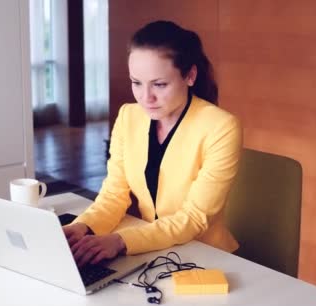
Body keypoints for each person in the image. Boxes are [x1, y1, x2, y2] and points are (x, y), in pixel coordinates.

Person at [63, 20, 242, 267]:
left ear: (190, 76)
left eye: (159, 84)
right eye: (137, 82)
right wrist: (83, 226)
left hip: (204, 257)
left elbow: (194, 218)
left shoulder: (221, 127)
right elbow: (114, 195)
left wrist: (120, 241)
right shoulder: (128, 116)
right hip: (152, 251)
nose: (146, 98)